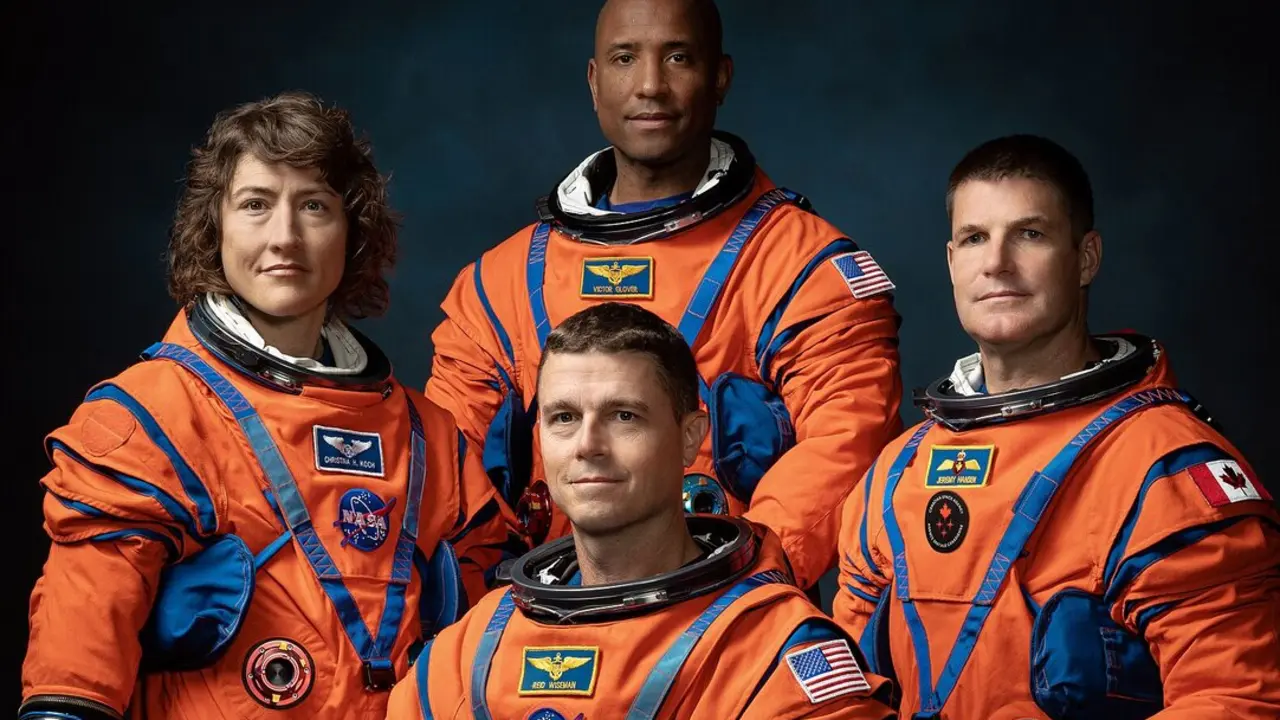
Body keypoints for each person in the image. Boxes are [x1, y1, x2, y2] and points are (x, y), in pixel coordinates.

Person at [20, 91, 516, 720]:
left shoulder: (428, 439)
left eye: (314, 206)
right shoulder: (147, 420)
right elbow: (75, 676)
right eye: (256, 205)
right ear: (214, 228)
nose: (285, 237)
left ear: (352, 232)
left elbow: (488, 658)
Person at [425, 0, 903, 595]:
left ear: (719, 77)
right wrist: (493, 621)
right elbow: (446, 477)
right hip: (542, 620)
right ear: (595, 81)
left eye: (677, 57)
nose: (651, 85)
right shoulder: (499, 285)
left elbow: (845, 446)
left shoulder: (801, 268)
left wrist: (727, 589)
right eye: (626, 59)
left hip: (724, 624)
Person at [833, 134, 1280, 719]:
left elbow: (1237, 699)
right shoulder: (898, 472)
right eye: (975, 238)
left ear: (1086, 257)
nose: (996, 262)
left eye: (1030, 234)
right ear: (951, 262)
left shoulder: (1165, 467)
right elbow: (844, 691)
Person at [388, 302, 898, 719]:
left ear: (689, 438)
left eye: (623, 416)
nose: (588, 445)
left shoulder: (773, 656)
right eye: (564, 417)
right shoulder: (467, 656)